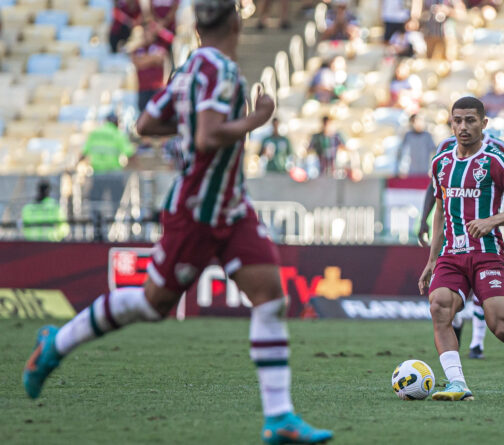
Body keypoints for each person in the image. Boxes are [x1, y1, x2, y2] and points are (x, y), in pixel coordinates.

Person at [22, 2, 333, 444]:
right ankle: (56, 344)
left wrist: (192, 125)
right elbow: (207, 137)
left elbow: (147, 123)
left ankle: (280, 417)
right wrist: (257, 119)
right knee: (153, 304)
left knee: (269, 296)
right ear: (235, 22)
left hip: (231, 206)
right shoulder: (219, 71)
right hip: (196, 212)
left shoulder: (188, 69)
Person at [417, 96, 504, 402]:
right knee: (439, 307)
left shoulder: (495, 160)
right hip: (452, 254)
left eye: (470, 120)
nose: (463, 127)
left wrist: (494, 221)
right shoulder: (441, 162)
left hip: (487, 252)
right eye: (457, 120)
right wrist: (432, 259)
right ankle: (457, 383)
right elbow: (440, 211)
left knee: (500, 326)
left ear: (484, 124)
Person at [131, 23, 168, 112]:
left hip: (156, 88)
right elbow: (137, 63)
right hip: (143, 89)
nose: (147, 34)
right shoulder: (137, 49)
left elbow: (159, 59)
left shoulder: (160, 46)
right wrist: (152, 59)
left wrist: (143, 59)